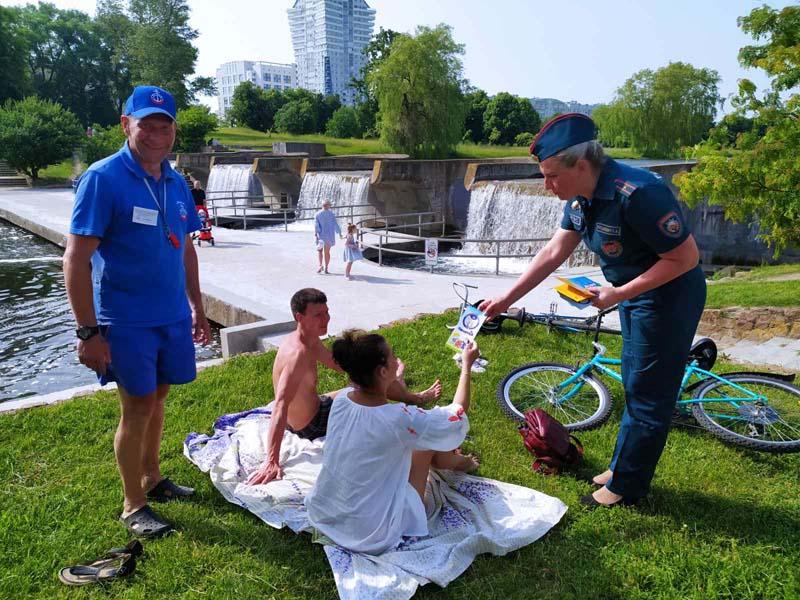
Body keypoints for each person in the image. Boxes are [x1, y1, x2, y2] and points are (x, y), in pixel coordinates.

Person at [479, 113, 706, 509]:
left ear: (581, 165)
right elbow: (553, 252)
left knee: (650, 395)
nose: (547, 186)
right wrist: (506, 299)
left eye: (552, 176)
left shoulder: (638, 193)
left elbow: (685, 258)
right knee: (635, 383)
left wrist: (620, 293)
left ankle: (627, 487)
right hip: (635, 293)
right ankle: (622, 466)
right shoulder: (581, 196)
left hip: (669, 296)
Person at [64, 85, 211, 537]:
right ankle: (134, 504)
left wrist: (197, 308)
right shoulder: (103, 178)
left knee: (159, 398)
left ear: (174, 131)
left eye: (165, 124)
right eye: (146, 123)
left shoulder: (174, 181)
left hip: (169, 315)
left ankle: (153, 476)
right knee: (137, 405)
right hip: (126, 319)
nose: (156, 133)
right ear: (126, 124)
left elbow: (185, 247)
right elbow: (76, 259)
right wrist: (89, 332)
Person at [305, 331, 480, 555]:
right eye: (392, 356)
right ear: (383, 371)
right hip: (371, 531)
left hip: (327, 511)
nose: (397, 360)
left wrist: (397, 380)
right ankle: (459, 463)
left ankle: (456, 460)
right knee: (425, 442)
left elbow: (380, 400)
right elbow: (457, 413)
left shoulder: (342, 399)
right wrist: (466, 365)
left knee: (422, 435)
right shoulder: (400, 419)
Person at [247, 288, 442, 486]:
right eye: (318, 315)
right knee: (370, 383)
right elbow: (280, 404)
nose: (326, 319)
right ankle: (416, 398)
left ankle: (399, 384)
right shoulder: (297, 354)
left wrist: (369, 362)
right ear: (300, 317)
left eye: (326, 312)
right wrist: (271, 460)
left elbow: (336, 365)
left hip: (315, 406)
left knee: (368, 374)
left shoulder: (307, 338)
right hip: (310, 425)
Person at [314, 200, 341, 274]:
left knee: (319, 251)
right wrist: (339, 232)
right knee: (327, 252)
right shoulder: (331, 214)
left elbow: (316, 226)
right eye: (330, 205)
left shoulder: (317, 214)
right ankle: (326, 268)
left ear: (322, 205)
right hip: (329, 236)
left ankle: (320, 265)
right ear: (328, 206)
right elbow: (335, 224)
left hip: (321, 236)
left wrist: (316, 233)